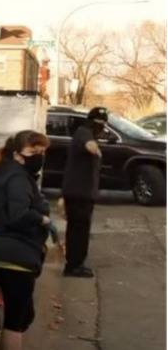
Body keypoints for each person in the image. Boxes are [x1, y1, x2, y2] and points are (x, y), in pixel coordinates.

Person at [0, 130, 51, 350]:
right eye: (33, 151)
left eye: (41, 152)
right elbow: (18, 214)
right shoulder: (17, 179)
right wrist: (43, 219)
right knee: (16, 320)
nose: (38, 156)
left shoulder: (15, 176)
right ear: (18, 155)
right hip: (15, 256)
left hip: (14, 254)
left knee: (23, 315)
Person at [62, 107, 108, 278]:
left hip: (82, 192)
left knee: (79, 228)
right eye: (99, 124)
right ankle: (74, 265)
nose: (101, 127)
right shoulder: (84, 132)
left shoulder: (88, 133)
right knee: (78, 230)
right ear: (92, 122)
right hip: (78, 193)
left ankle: (76, 263)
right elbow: (89, 146)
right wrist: (96, 148)